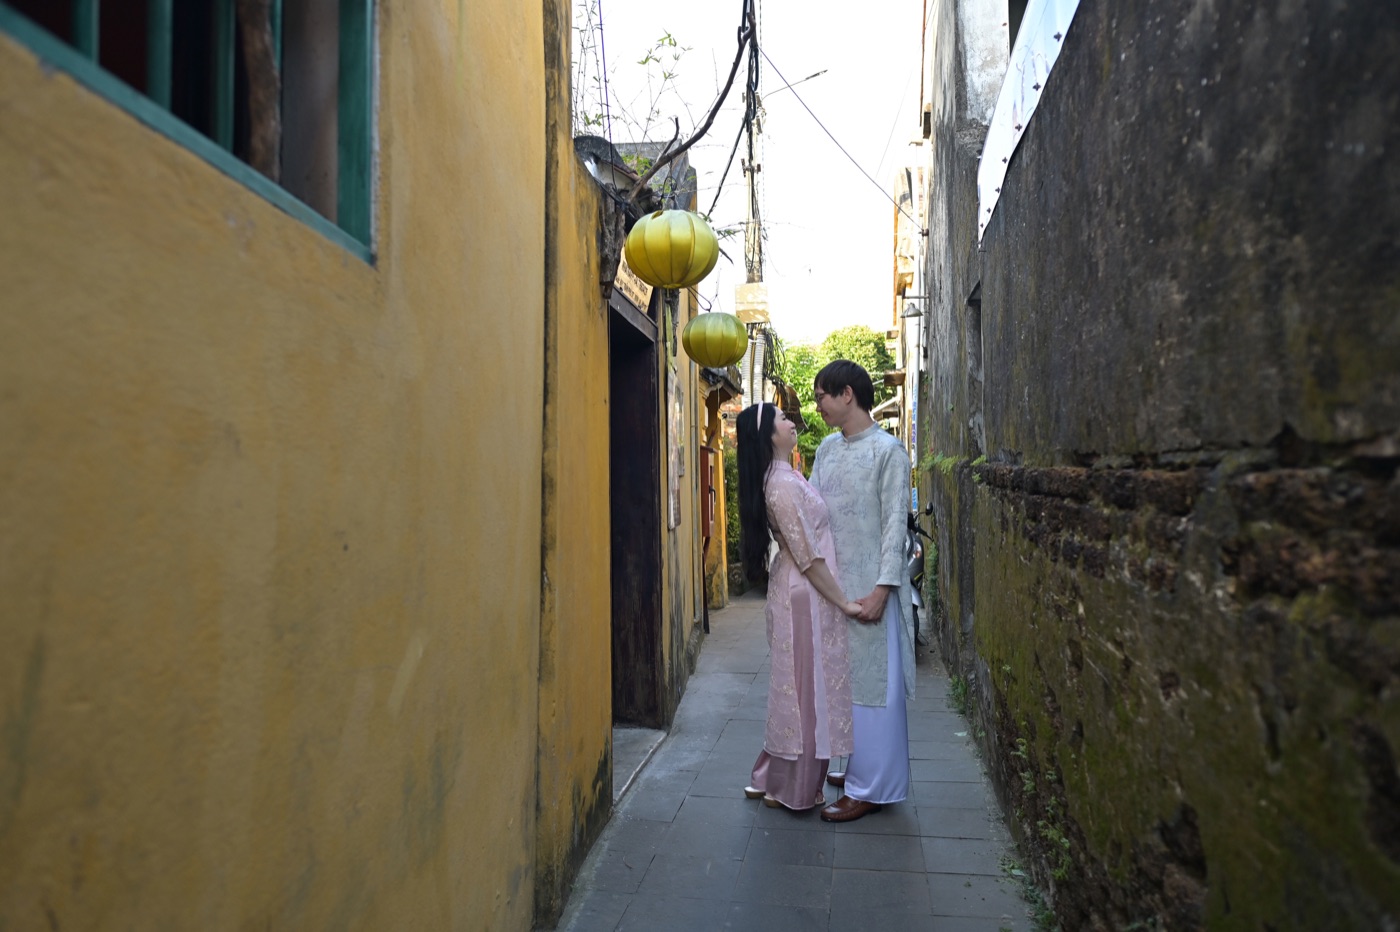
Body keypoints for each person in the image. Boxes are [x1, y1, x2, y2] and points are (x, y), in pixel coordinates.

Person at [736, 401, 858, 811]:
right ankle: (795, 787)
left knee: (800, 687)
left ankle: (772, 776)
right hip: (803, 592)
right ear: (771, 435)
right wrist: (842, 601)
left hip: (798, 589)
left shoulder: (783, 476)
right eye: (784, 418)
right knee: (808, 692)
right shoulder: (782, 485)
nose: (792, 422)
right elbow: (807, 555)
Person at [808, 360, 915, 823]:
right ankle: (854, 766)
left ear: (847, 393)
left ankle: (872, 787)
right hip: (834, 591)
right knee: (842, 686)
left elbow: (897, 527)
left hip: (872, 592)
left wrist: (882, 589)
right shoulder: (827, 451)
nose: (818, 407)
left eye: (822, 397)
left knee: (875, 691)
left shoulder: (889, 452)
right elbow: (812, 513)